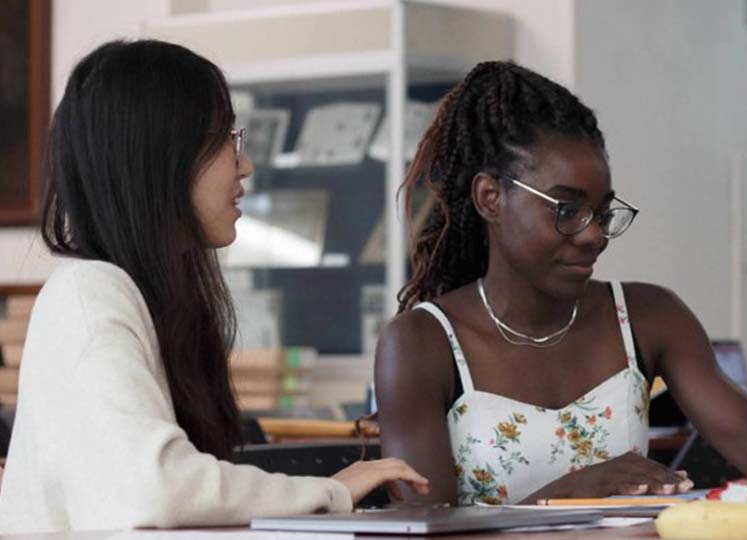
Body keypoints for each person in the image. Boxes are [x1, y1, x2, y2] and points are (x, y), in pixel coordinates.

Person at [374, 61, 747, 506]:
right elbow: (422, 528)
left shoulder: (648, 316)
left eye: (603, 212)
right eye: (568, 210)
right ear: (490, 198)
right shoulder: (421, 344)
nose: (594, 235)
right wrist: (566, 493)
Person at [0, 40, 428, 533]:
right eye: (226, 139)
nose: (244, 166)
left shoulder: (141, 297)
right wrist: (330, 492)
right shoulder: (87, 292)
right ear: (162, 154)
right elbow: (158, 488)